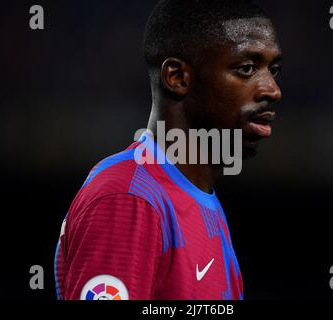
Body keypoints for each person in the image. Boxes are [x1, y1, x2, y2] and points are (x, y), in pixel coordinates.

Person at [55, 0, 282, 300]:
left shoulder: (200, 201)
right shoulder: (128, 199)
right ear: (177, 77)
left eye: (273, 70)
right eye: (247, 68)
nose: (272, 89)